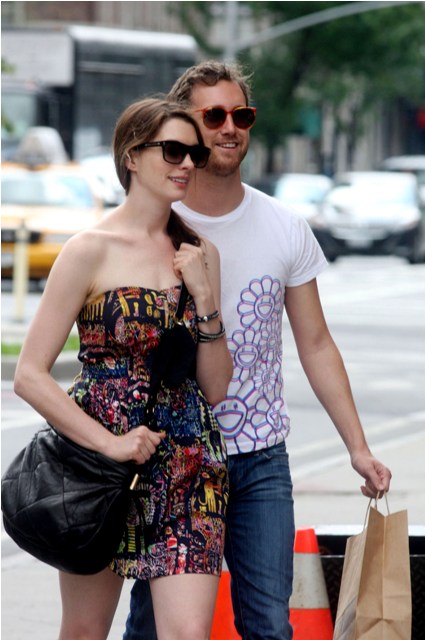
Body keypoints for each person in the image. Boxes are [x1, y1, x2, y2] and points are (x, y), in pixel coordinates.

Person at [123, 62, 392, 640]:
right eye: (213, 115)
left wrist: (358, 447)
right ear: (185, 126)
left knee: (270, 626)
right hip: (174, 455)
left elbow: (315, 343)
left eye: (240, 115)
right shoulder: (157, 224)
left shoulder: (284, 226)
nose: (229, 128)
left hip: (260, 456)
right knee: (151, 628)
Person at [13, 97, 233, 640]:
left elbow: (215, 388)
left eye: (195, 154)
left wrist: (205, 298)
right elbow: (30, 375)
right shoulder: (88, 250)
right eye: (173, 150)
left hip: (188, 464)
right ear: (132, 156)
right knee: (85, 631)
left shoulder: (201, 253)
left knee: (188, 634)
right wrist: (110, 444)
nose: (187, 164)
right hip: (98, 466)